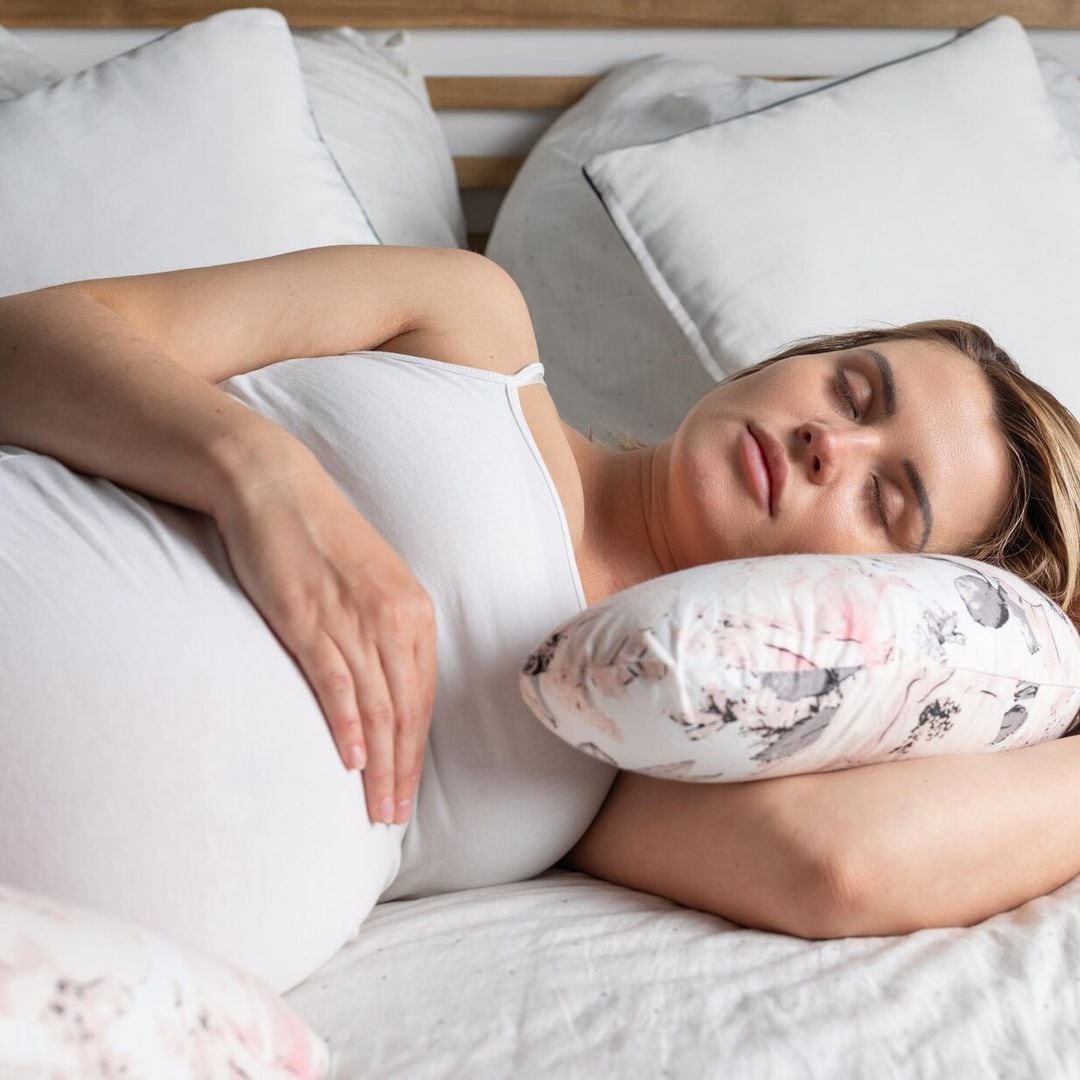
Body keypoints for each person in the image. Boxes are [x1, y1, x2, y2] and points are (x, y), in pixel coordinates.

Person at [1, 243, 1078, 992]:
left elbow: (838, 867)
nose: (827, 446)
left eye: (885, 501)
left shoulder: (642, 744)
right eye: (854, 390)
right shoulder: (466, 323)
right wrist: (260, 478)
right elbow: (31, 334)